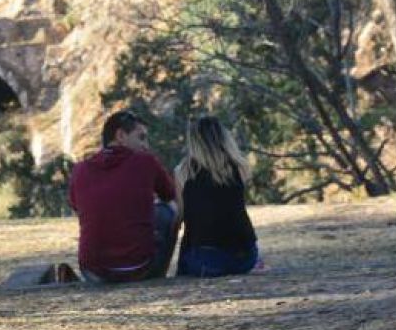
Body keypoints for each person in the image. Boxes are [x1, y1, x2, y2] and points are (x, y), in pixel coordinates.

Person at [68, 110, 178, 283]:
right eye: (141, 138)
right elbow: (171, 196)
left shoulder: (80, 170)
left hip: (93, 272)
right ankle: (158, 276)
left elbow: (77, 207)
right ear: (120, 135)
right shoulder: (146, 162)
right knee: (167, 211)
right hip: (140, 269)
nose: (146, 146)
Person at [173, 117, 259, 277]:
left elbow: (181, 217)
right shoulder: (239, 167)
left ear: (194, 142)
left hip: (207, 261)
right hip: (246, 257)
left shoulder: (183, 171)